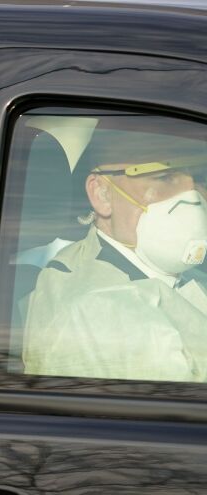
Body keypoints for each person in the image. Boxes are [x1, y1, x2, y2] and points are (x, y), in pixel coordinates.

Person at [23, 131, 207, 382]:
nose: (192, 193)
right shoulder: (91, 311)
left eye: (200, 177)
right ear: (102, 194)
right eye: (164, 176)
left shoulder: (177, 274)